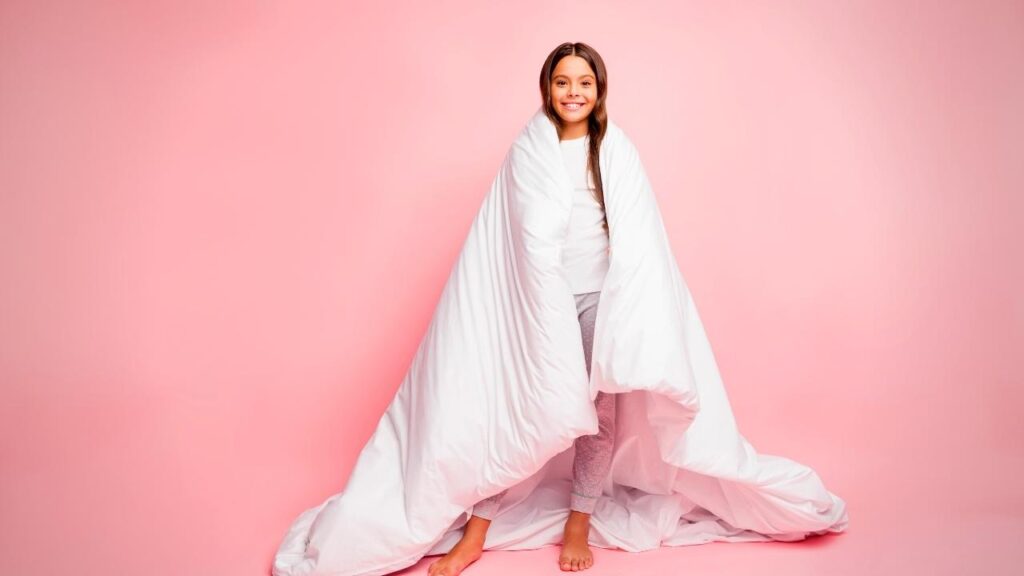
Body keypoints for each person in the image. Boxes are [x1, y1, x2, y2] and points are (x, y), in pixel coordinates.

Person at [428, 41, 613, 576]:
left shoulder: (614, 150)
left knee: (599, 412)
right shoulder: (531, 149)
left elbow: (635, 229)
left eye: (584, 81)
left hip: (600, 294)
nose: (573, 91)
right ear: (547, 88)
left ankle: (580, 517)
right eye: (562, 81)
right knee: (525, 403)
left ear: (599, 90)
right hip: (542, 297)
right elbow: (507, 232)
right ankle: (477, 527)